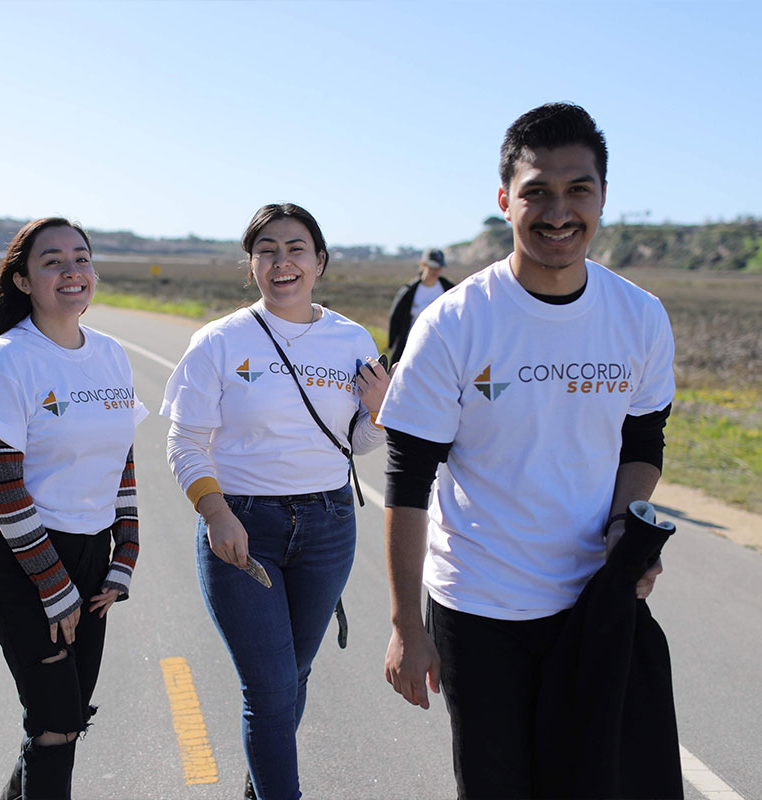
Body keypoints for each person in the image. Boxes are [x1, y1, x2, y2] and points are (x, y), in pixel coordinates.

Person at [378, 103, 676, 799]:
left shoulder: (638, 316)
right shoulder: (455, 323)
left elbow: (643, 441)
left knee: (593, 783)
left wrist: (625, 528)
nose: (558, 211)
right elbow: (407, 480)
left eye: (579, 190)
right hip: (480, 608)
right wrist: (403, 626)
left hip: (591, 602)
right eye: (537, 190)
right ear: (505, 199)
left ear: (603, 198)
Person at [161, 203, 389, 800]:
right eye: (267, 250)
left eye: (295, 248)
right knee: (268, 690)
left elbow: (356, 445)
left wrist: (379, 410)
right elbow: (185, 441)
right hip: (243, 525)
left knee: (293, 677)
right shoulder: (219, 340)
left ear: (319, 262)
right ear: (251, 265)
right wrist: (216, 513)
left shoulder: (351, 339)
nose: (281, 261)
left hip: (329, 523)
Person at [0, 217, 147, 799]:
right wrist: (53, 585)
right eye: (53, 261)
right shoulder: (8, 360)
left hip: (91, 557)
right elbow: (3, 485)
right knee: (57, 724)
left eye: (81, 258)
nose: (72, 271)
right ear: (22, 280)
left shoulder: (111, 355)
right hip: (23, 560)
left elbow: (122, 460)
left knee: (60, 723)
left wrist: (125, 554)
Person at [386, 247, 454, 364]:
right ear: (423, 265)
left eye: (439, 268)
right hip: (411, 346)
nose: (435, 271)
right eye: (432, 267)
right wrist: (393, 344)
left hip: (440, 349)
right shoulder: (409, 291)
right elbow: (395, 318)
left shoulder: (449, 290)